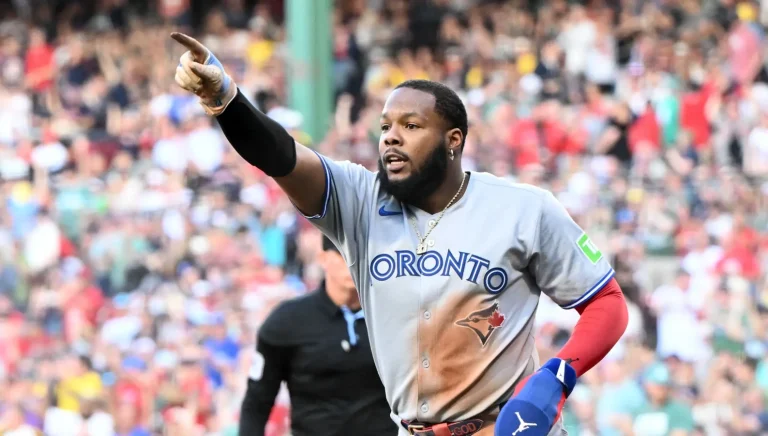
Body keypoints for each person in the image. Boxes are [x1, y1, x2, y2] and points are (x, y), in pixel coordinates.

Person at [171, 32, 629, 436]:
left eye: (410, 126)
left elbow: (606, 302)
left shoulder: (523, 208)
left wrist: (557, 377)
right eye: (385, 127)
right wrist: (226, 99)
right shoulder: (359, 200)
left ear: (454, 140)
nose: (391, 137)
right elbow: (280, 155)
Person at [238, 236, 393, 435]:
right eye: (343, 254)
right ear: (323, 258)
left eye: (361, 254)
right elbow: (256, 402)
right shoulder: (286, 323)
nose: (353, 261)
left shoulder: (396, 317)